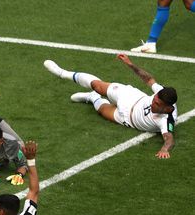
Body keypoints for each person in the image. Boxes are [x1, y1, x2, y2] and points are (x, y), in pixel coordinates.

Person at [43, 55, 178, 159]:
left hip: (126, 118)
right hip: (131, 96)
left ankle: (91, 97)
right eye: (154, 100)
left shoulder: (167, 120)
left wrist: (165, 149)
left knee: (102, 110)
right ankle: (62, 73)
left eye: (157, 105)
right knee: (98, 85)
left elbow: (169, 138)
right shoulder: (162, 92)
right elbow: (149, 79)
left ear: (167, 108)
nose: (153, 103)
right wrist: (130, 64)